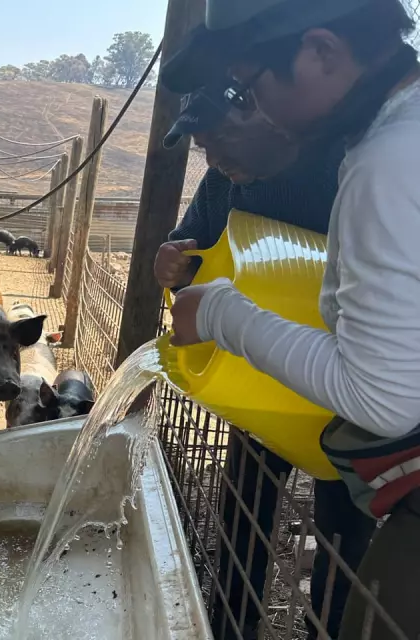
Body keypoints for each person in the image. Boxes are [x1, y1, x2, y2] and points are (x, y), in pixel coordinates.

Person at [160, 0, 420, 637]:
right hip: (303, 386)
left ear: (324, 52)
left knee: (357, 566)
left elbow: (382, 398)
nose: (256, 110)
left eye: (249, 88)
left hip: (355, 419)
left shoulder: (385, 161)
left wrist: (221, 313)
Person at [157, 82, 372, 640]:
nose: (216, 159)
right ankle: (232, 622)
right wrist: (175, 256)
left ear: (264, 112)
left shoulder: (348, 167)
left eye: (222, 139)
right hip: (260, 382)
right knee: (244, 508)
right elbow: (193, 245)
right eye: (204, 148)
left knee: (344, 531)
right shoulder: (223, 180)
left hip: (350, 389)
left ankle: (325, 627)